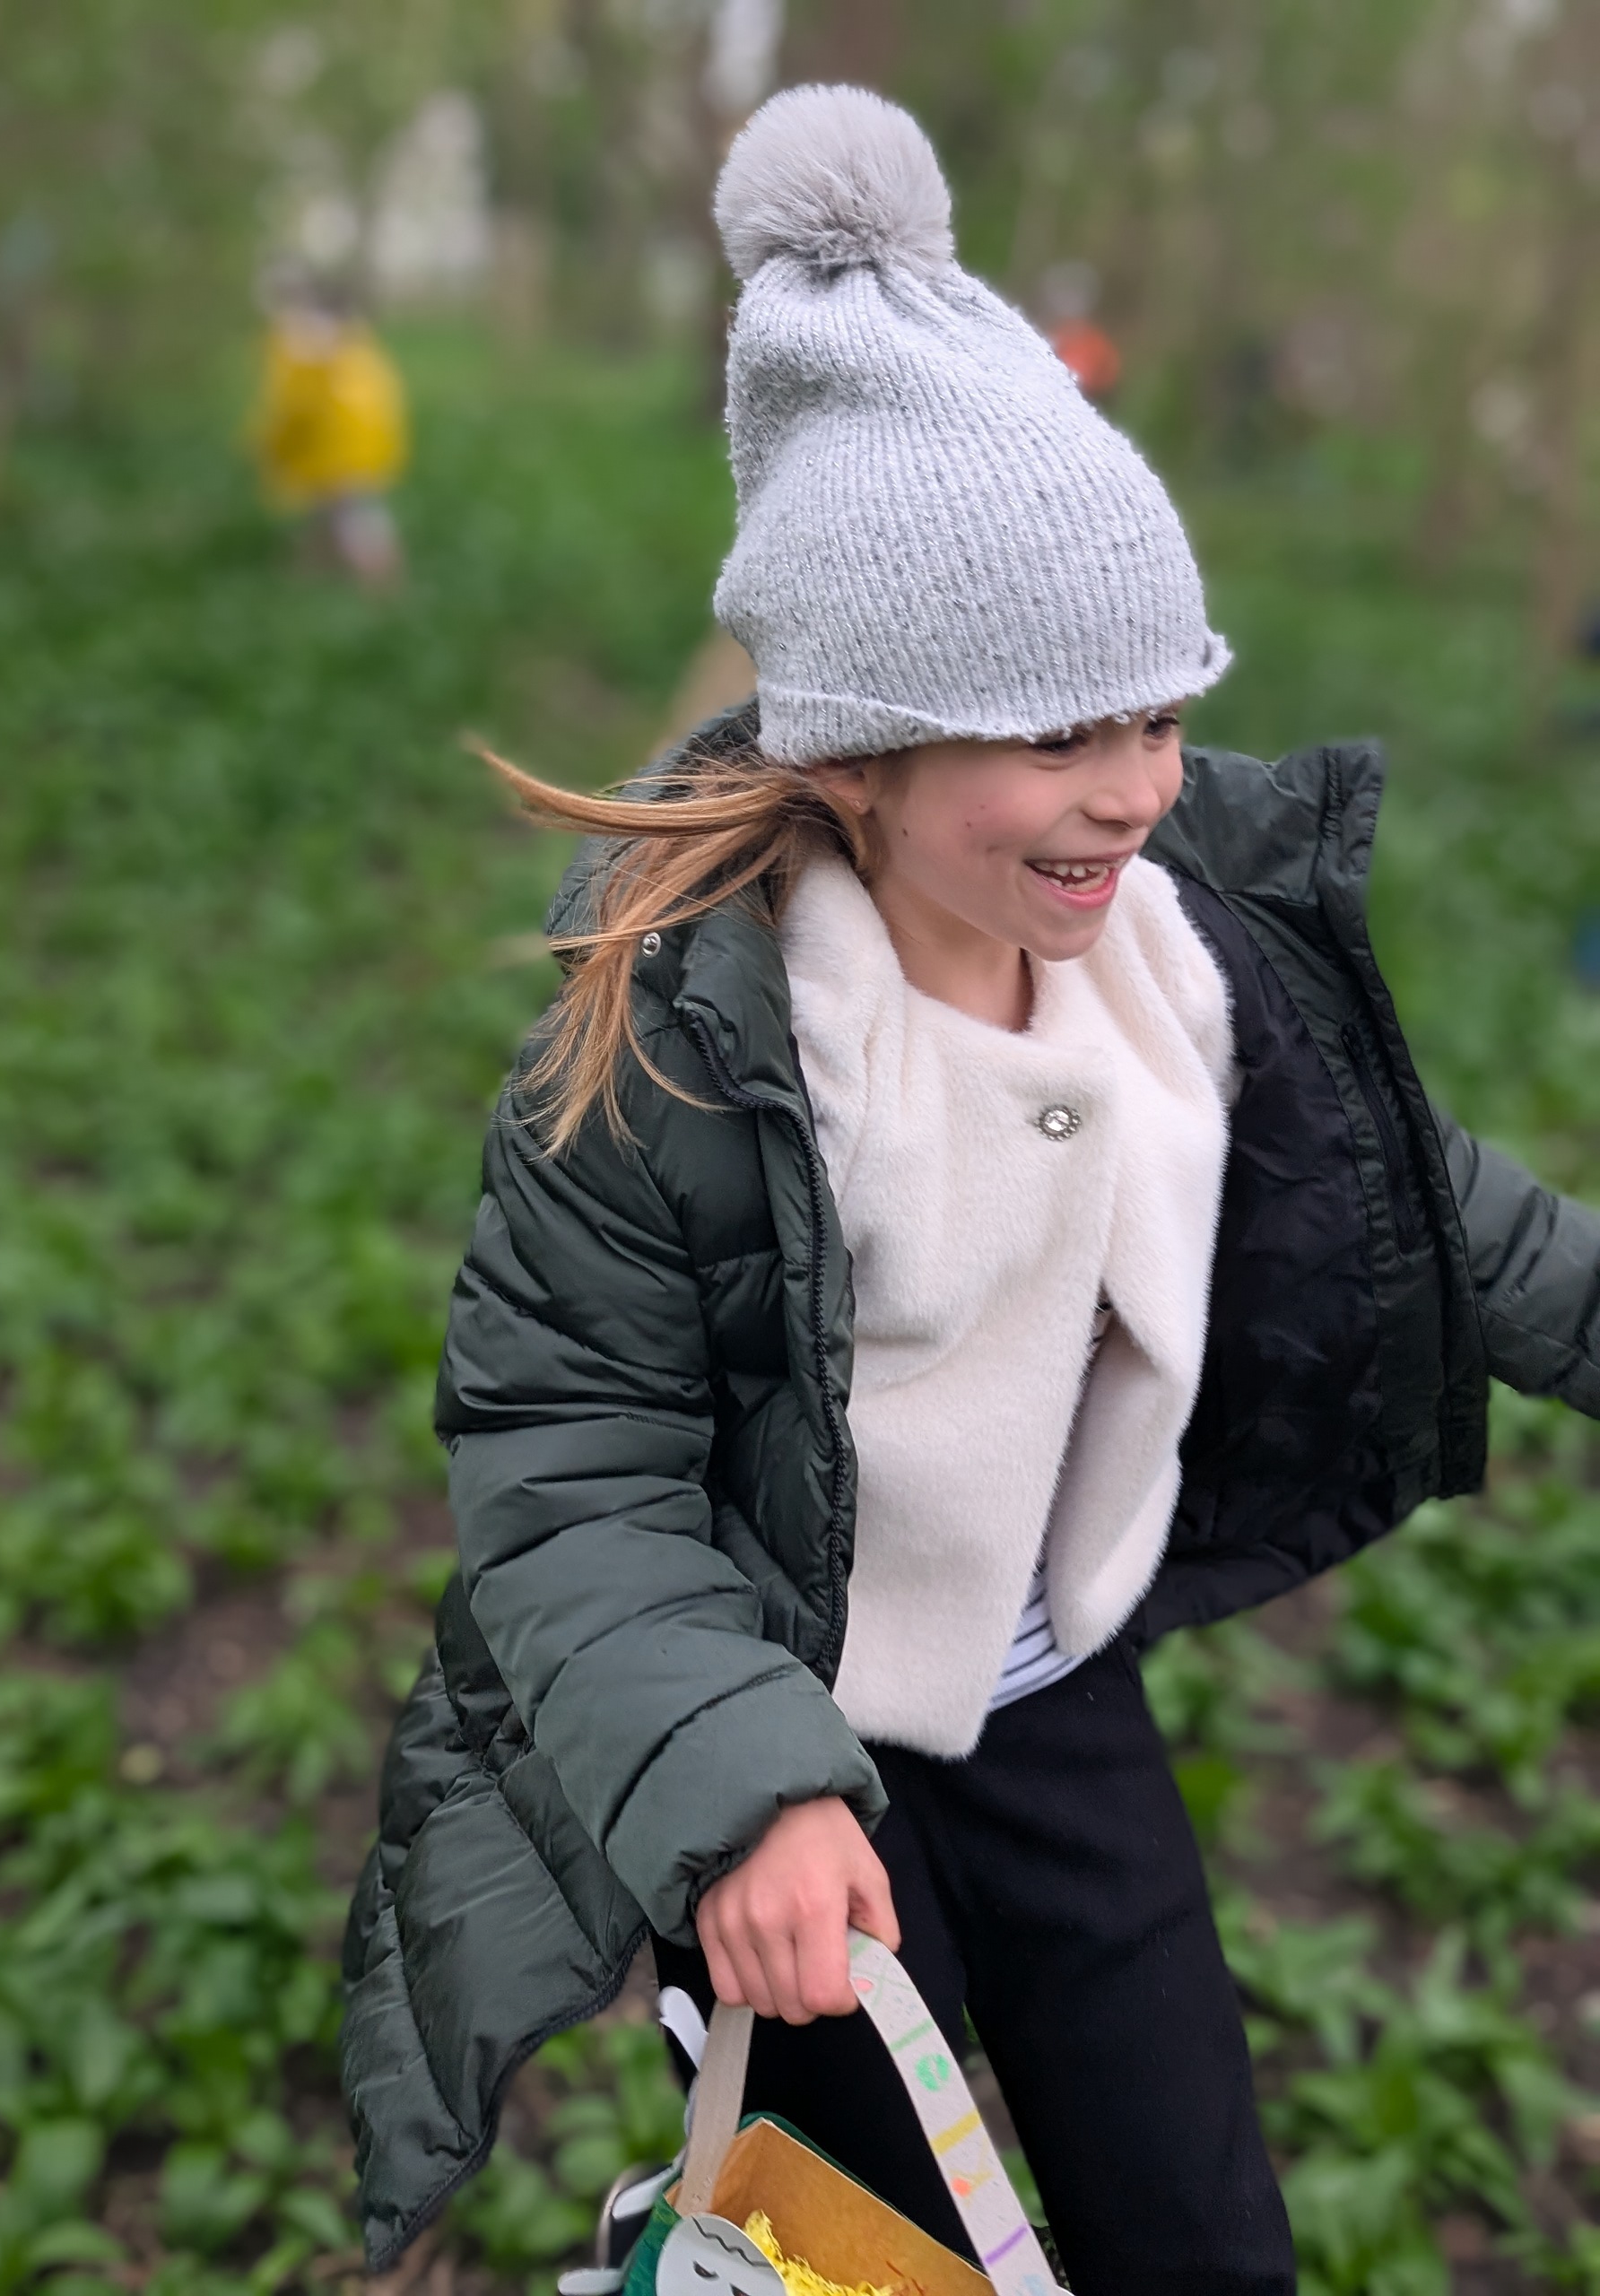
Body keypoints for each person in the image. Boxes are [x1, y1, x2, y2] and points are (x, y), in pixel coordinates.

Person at [341, 86, 1600, 2295]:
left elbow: (1438, 1210)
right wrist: (739, 1787)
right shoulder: (679, 1047)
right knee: (874, 2253)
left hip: (1050, 1699)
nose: (1131, 789)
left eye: (1159, 713)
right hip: (779, 1739)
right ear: (854, 744)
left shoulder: (1173, 963)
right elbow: (571, 1454)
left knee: (1194, 2217)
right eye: (1053, 734)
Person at [249, 276, 408, 587]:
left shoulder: (309, 352)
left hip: (337, 454)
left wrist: (271, 444)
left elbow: (297, 408)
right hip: (355, 451)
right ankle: (314, 572)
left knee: (355, 518)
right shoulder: (358, 350)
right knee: (334, 515)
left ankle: (381, 583)